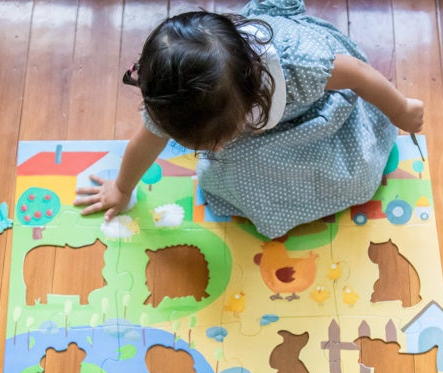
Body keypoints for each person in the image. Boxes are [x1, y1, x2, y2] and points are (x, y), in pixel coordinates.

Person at [74, 0, 423, 239]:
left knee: (356, 178)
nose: (216, 148)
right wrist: (121, 189)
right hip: (267, 133)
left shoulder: (302, 64)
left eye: (219, 137)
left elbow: (360, 75)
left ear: (252, 92)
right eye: (204, 145)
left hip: (316, 115)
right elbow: (145, 141)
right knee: (241, 178)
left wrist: (400, 110)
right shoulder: (171, 101)